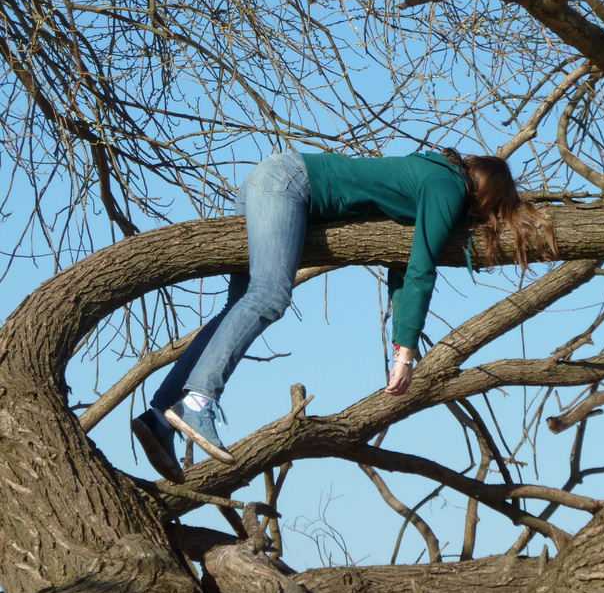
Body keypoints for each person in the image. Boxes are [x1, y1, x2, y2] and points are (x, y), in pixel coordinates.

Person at [131, 149, 557, 484]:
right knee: (270, 294)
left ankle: (159, 417)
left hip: (272, 178)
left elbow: (403, 264)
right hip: (288, 185)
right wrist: (407, 354)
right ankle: (198, 402)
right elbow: (422, 267)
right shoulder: (448, 188)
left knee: (238, 305)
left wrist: (398, 337)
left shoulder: (427, 173)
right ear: (485, 195)